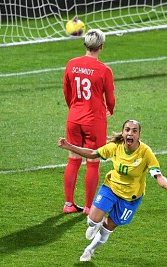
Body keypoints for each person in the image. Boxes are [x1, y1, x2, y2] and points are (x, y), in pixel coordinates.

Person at [57, 119, 167, 262]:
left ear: (139, 135)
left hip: (130, 199)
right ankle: (96, 222)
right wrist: (69, 146)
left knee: (107, 228)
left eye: (134, 131)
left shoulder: (145, 152)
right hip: (111, 188)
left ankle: (90, 249)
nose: (130, 133)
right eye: (127, 130)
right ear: (123, 132)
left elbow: (157, 174)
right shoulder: (115, 146)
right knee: (91, 221)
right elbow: (92, 153)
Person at [62, 29, 116, 214]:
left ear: (85, 44)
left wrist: (74, 108)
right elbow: (110, 98)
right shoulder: (104, 70)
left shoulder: (71, 64)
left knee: (73, 159)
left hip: (74, 118)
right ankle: (88, 207)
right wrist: (111, 108)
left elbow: (66, 91)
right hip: (94, 121)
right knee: (93, 162)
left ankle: (68, 204)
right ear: (101, 46)